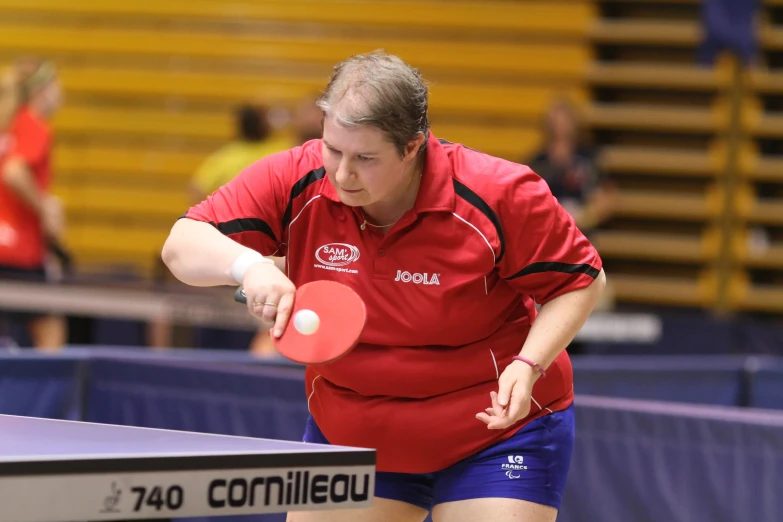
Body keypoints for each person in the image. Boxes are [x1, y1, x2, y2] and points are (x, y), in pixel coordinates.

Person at [162, 51, 606, 522]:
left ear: (414, 146)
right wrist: (249, 266)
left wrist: (529, 363)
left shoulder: (499, 192)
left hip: (495, 431)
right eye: (333, 148)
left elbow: (581, 280)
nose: (342, 173)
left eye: (365, 158)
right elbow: (180, 245)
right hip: (355, 428)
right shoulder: (298, 178)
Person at [0, 58, 67, 350]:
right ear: (42, 90)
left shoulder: (9, 124)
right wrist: (46, 208)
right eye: (57, 84)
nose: (61, 90)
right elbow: (14, 172)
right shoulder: (34, 125)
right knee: (51, 330)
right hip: (19, 251)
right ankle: (54, 398)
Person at [526, 99, 614, 236]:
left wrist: (585, 217)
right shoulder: (538, 161)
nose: (561, 124)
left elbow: (606, 197)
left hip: (582, 230)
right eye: (557, 120)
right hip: (549, 231)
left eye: (565, 119)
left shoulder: (588, 158)